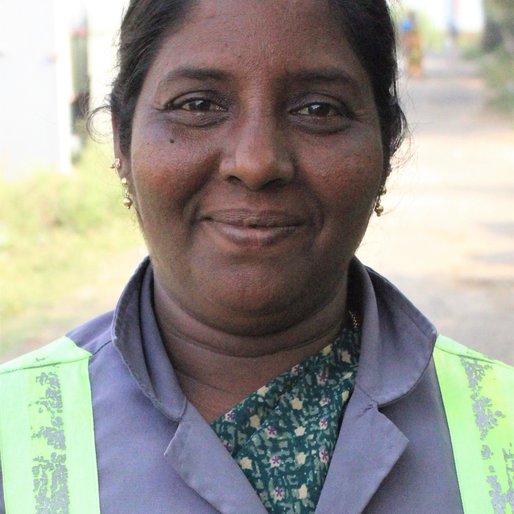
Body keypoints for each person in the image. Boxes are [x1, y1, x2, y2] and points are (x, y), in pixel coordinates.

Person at [1, 1, 513, 513]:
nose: (256, 162)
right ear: (123, 141)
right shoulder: (14, 434)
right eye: (198, 105)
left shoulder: (501, 423)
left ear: (386, 149)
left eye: (319, 109)